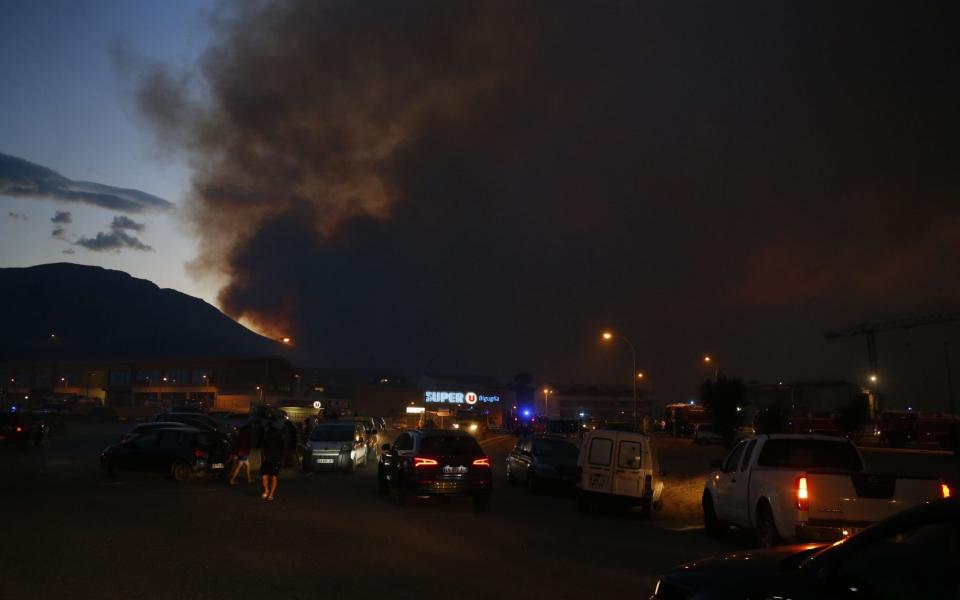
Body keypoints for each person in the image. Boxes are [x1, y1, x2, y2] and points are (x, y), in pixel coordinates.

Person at [260, 420, 284, 501]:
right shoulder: (275, 435)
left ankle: (269, 492)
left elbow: (281, 448)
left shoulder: (268, 435)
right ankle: (269, 493)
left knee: (266, 476)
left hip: (272, 458)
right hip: (273, 459)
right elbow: (282, 448)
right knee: (272, 477)